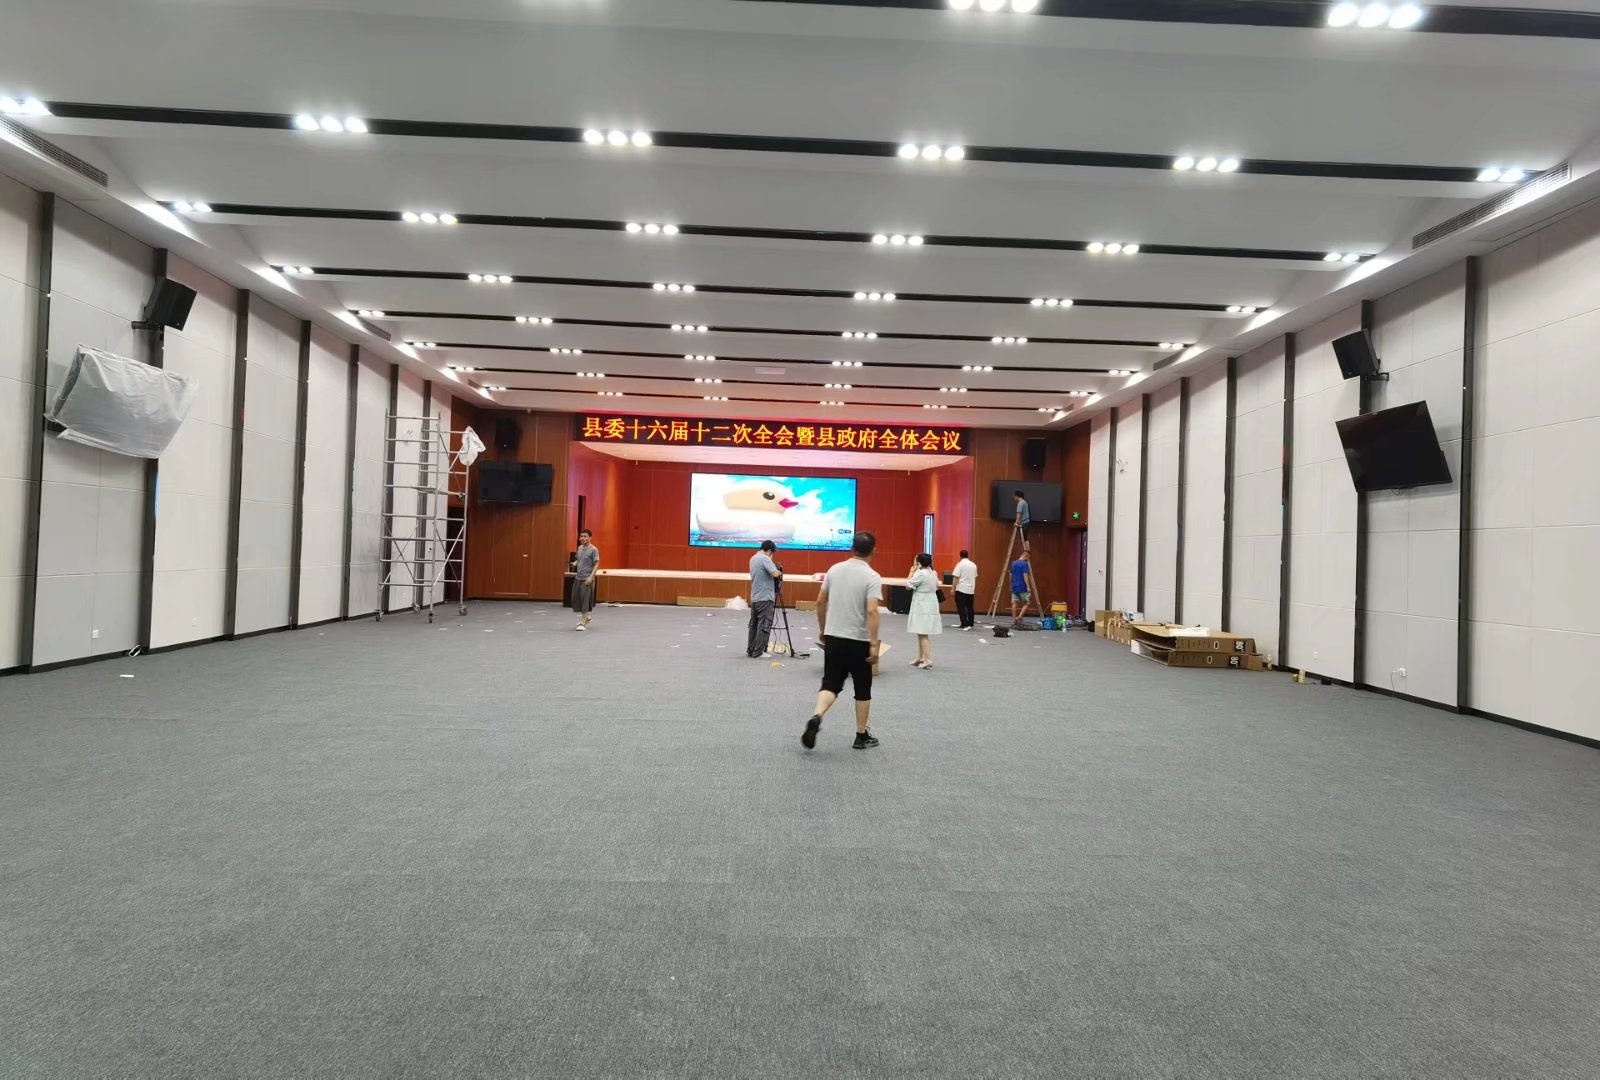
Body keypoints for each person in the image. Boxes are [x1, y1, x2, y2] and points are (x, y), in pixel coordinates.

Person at [801, 531, 882, 751]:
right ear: (874, 551)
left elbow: (820, 601)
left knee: (831, 683)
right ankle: (861, 735)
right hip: (859, 640)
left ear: (851, 548)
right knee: (863, 688)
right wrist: (874, 644)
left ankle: (817, 716)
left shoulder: (834, 570)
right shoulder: (872, 576)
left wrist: (823, 630)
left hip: (834, 637)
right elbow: (872, 611)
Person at [747, 540, 783, 657]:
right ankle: (758, 652)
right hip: (765, 597)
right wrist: (779, 571)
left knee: (754, 625)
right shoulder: (765, 559)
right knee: (764, 625)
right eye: (772, 553)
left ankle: (751, 650)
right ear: (770, 551)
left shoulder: (753, 558)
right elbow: (774, 573)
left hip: (755, 597)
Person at [906, 553, 942, 669]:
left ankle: (928, 660)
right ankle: (920, 657)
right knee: (920, 631)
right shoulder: (933, 572)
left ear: (919, 563)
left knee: (923, 634)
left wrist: (911, 572)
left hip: (922, 604)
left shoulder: (920, 573)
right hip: (930, 602)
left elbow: (908, 586)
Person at [572, 529, 599, 631]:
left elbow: (596, 564)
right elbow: (579, 559)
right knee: (577, 599)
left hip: (587, 578)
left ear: (590, 538)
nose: (582, 538)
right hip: (578, 577)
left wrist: (591, 577)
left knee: (585, 600)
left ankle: (583, 623)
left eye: (585, 536)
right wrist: (574, 563)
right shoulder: (579, 548)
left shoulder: (594, 550)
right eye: (581, 536)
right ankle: (586, 617)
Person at [951, 549, 978, 630]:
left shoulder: (960, 564)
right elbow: (975, 576)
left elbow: (956, 577)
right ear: (967, 555)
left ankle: (964, 623)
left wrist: (953, 589)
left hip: (961, 589)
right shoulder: (973, 565)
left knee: (961, 607)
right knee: (970, 607)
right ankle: (971, 623)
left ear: (960, 556)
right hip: (971, 590)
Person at [1010, 549, 1032, 628]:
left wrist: (1010, 584)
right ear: (1026, 556)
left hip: (1014, 586)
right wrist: (1028, 586)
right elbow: (1025, 575)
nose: (1028, 560)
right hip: (1022, 586)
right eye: (1028, 558)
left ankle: (1014, 620)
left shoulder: (1013, 563)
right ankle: (1019, 617)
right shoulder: (1024, 564)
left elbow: (1010, 575)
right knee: (1027, 602)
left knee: (1014, 603)